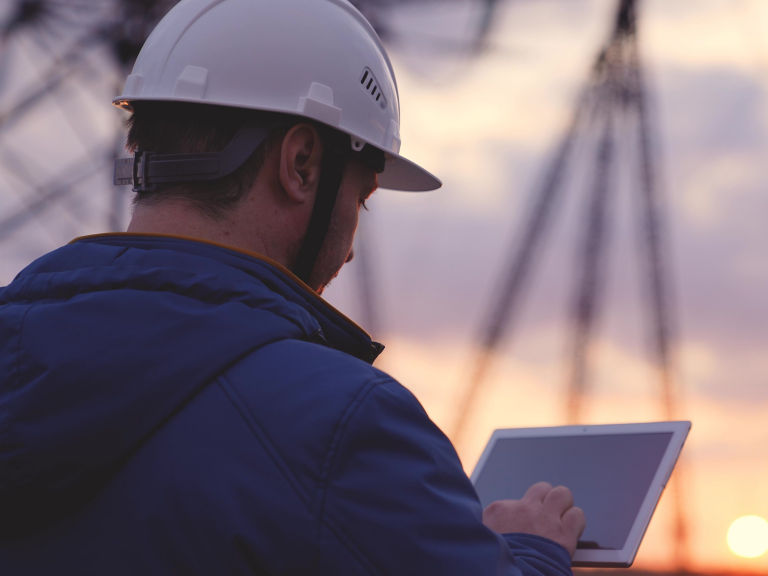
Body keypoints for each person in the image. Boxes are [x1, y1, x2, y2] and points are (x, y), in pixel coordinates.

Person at [0, 0, 585, 574]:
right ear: (302, 163)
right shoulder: (345, 425)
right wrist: (533, 552)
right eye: (360, 199)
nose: (351, 247)